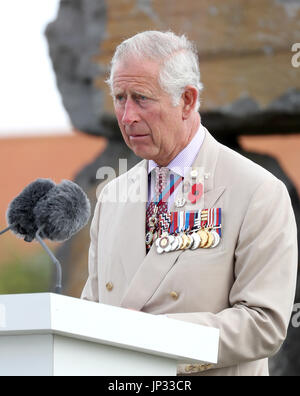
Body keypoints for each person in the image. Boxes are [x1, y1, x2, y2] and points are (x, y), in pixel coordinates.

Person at [81, 31, 298, 376]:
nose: (127, 116)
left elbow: (263, 324)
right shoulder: (112, 196)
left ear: (186, 100)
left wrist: (157, 338)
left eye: (141, 98)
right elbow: (91, 312)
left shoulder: (258, 191)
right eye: (119, 97)